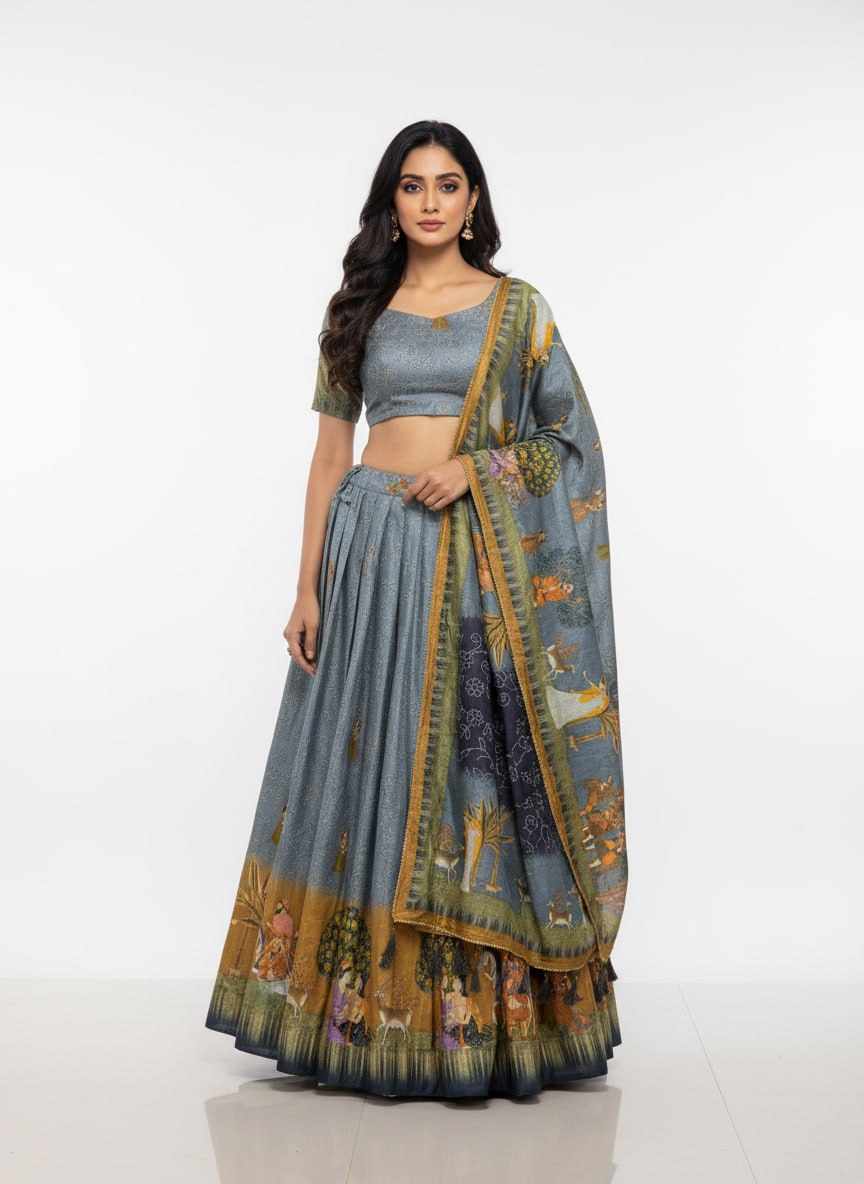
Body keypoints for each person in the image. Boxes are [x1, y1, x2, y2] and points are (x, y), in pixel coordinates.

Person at [205, 119, 628, 1099]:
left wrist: (478, 471)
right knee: (368, 767)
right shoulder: (359, 308)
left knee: (465, 778)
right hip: (369, 552)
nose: (430, 201)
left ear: (472, 200)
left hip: (472, 559)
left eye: (447, 183)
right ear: (390, 203)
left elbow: (571, 444)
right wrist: (306, 585)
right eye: (411, 184)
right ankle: (355, 1017)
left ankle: (475, 1024)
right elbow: (328, 457)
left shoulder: (519, 311)